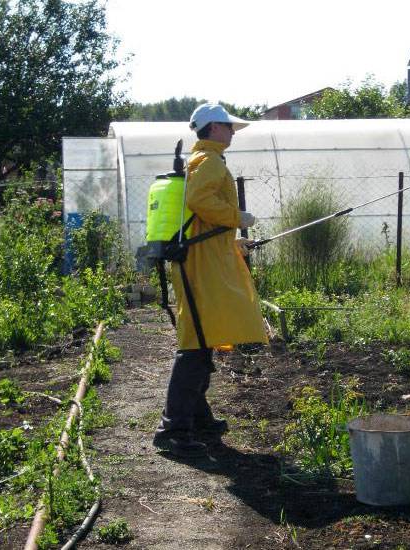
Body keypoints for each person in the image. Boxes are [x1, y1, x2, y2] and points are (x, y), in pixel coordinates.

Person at [153, 103, 267, 457]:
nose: (233, 131)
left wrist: (230, 240)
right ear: (214, 128)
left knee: (205, 337)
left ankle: (198, 418)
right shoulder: (210, 162)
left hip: (201, 258)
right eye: (228, 126)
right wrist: (237, 217)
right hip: (199, 265)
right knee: (196, 342)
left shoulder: (202, 159)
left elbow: (197, 221)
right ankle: (173, 430)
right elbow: (198, 200)